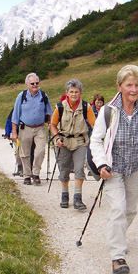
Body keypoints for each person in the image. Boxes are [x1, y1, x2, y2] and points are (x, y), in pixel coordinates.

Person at [90, 64, 138, 274]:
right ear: (119, 86)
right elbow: (95, 141)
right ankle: (117, 256)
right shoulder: (108, 111)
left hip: (136, 166)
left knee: (130, 210)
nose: (134, 89)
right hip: (113, 168)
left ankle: (118, 236)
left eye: (137, 85)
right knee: (118, 209)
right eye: (129, 85)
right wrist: (102, 164)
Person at [49, 79, 96, 210]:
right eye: (71, 92)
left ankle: (77, 198)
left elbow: (94, 124)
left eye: (76, 92)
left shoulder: (86, 107)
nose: (74, 94)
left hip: (80, 142)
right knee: (63, 170)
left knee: (79, 168)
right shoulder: (60, 107)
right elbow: (52, 125)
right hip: (63, 142)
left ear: (80, 93)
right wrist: (57, 138)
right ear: (67, 93)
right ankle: (64, 195)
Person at [11, 73, 52, 185]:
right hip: (25, 128)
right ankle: (27, 175)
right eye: (32, 83)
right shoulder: (22, 96)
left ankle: (36, 173)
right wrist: (14, 132)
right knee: (24, 153)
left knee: (40, 151)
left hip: (40, 128)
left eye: (37, 83)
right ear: (27, 85)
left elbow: (49, 112)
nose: (35, 85)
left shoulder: (43, 96)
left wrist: (50, 123)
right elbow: (15, 115)